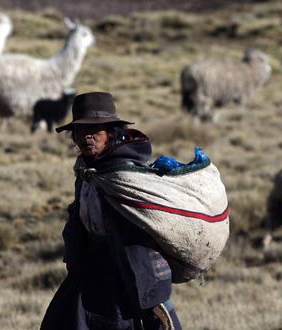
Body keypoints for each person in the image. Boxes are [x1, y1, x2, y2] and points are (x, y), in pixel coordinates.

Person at [41, 92, 182, 330]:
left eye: (95, 131)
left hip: (129, 272)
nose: (88, 137)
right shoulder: (86, 172)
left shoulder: (126, 176)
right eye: (81, 131)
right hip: (89, 270)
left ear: (110, 133)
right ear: (73, 136)